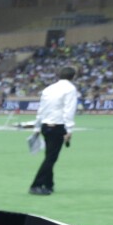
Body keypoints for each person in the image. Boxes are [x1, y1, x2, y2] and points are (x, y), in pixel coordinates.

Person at [29, 65, 78, 196]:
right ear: (73, 76)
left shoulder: (48, 89)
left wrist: (37, 127)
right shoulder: (70, 89)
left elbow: (41, 109)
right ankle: (36, 185)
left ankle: (49, 184)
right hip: (58, 125)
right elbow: (69, 110)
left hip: (46, 125)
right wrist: (69, 129)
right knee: (51, 158)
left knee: (49, 156)